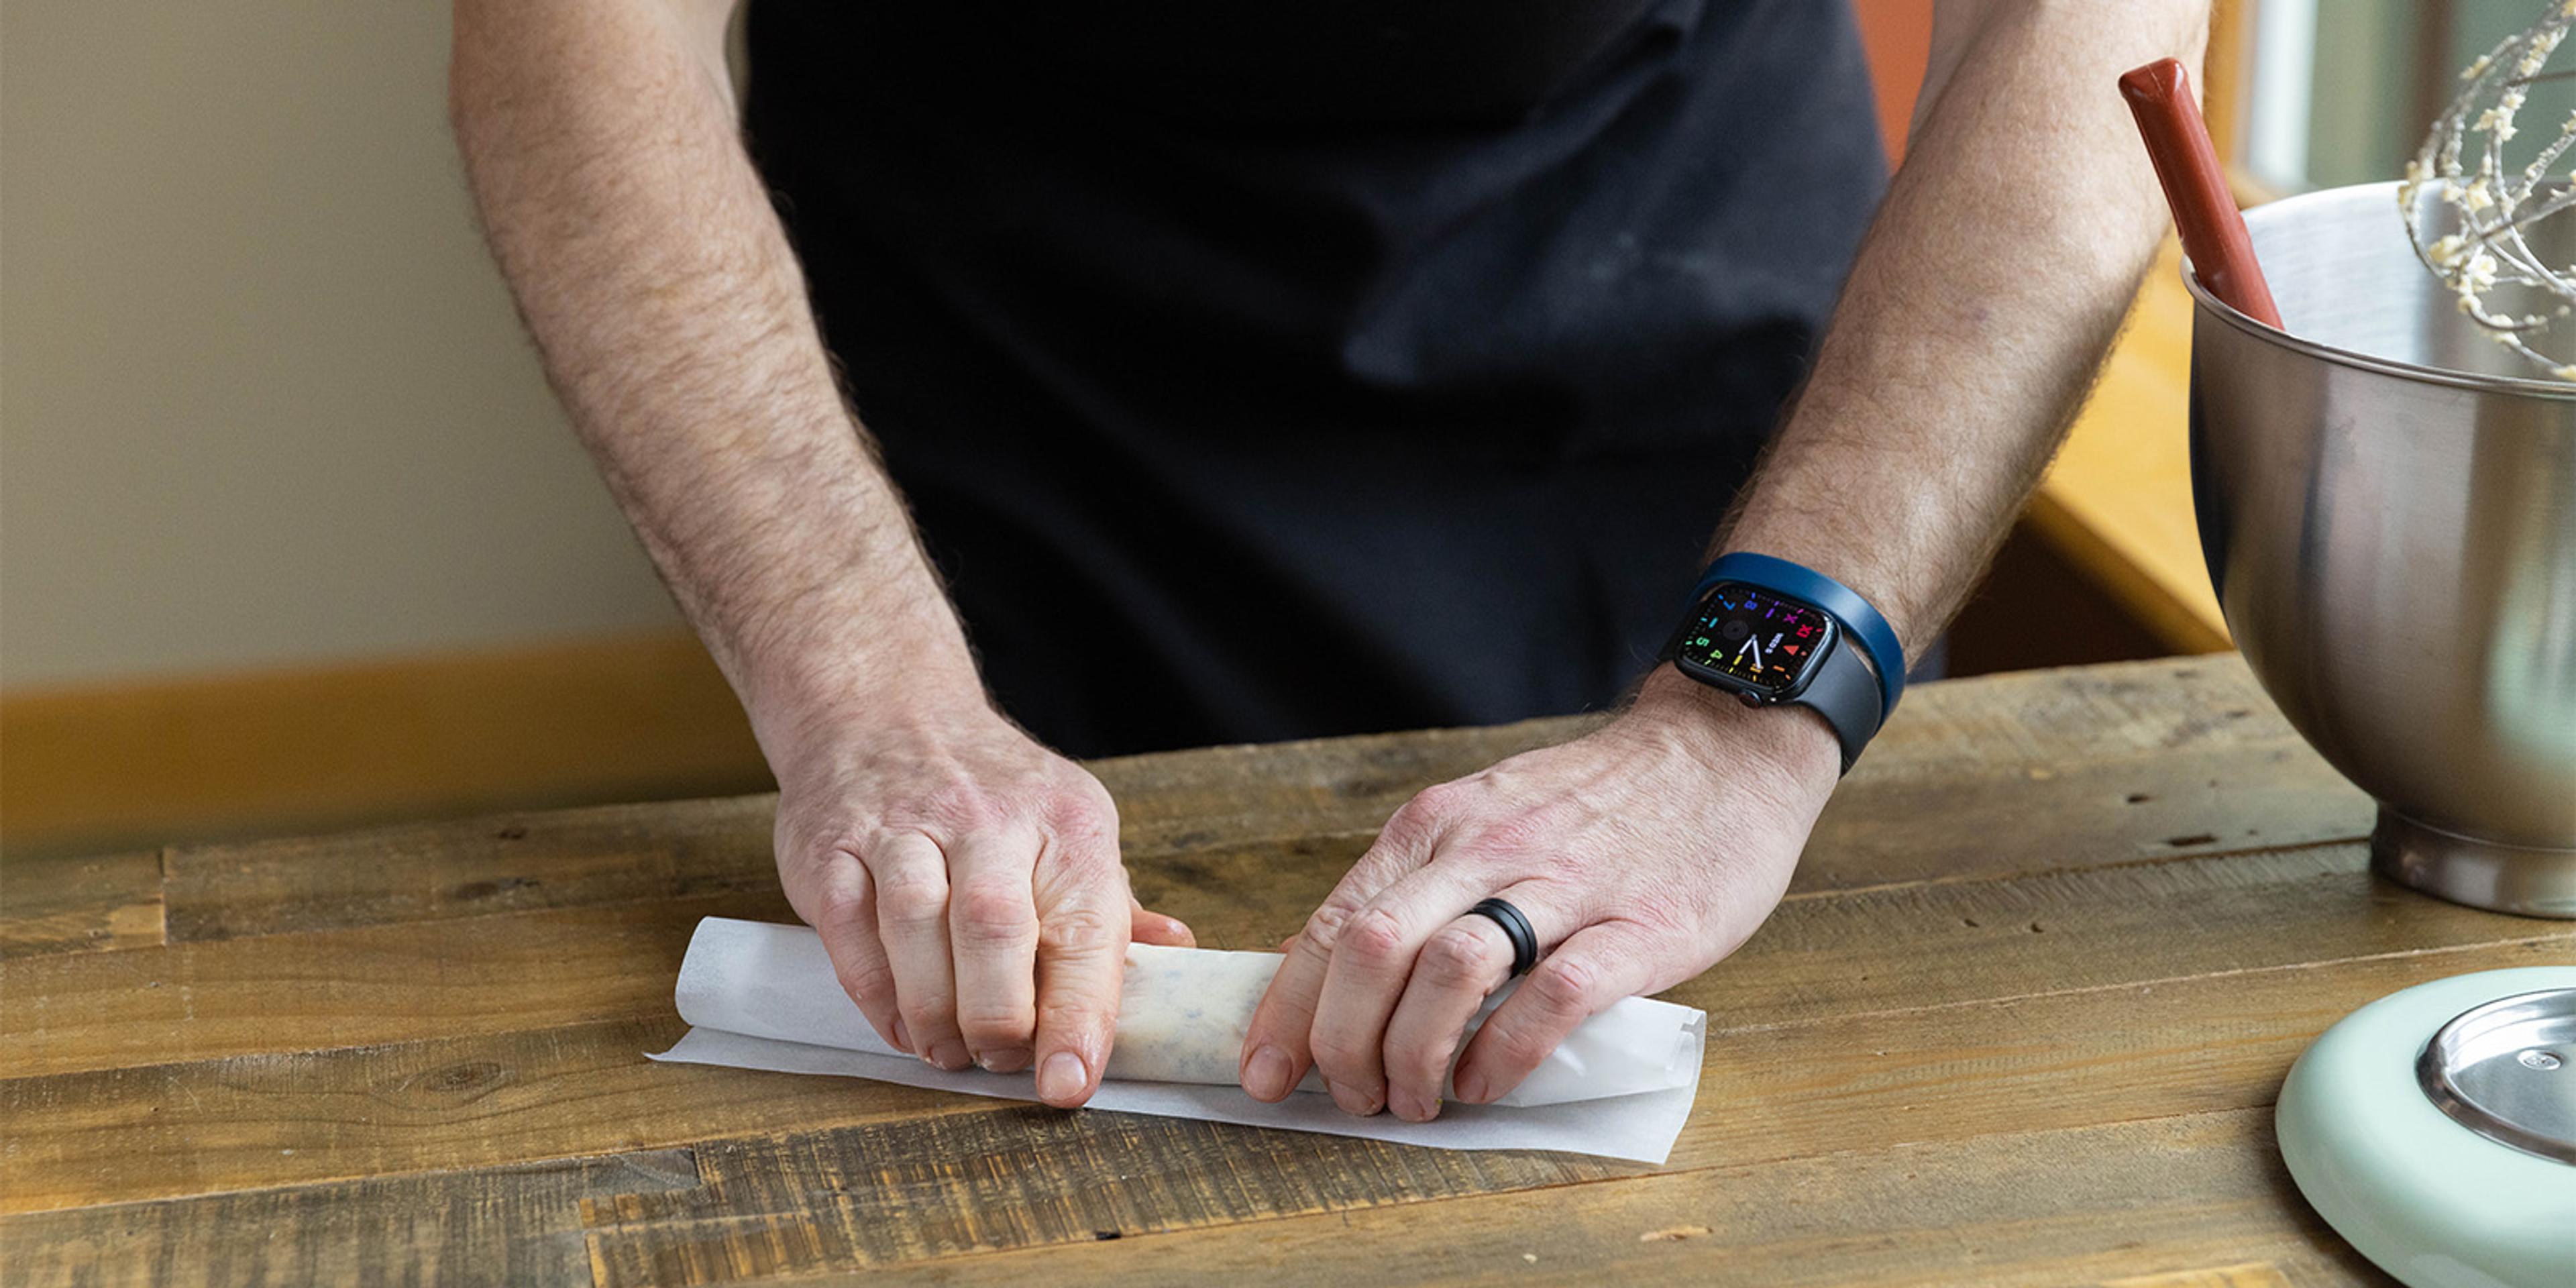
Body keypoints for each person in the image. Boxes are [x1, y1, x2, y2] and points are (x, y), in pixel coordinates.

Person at [451, 0, 2208, 1123]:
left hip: (1696, 359)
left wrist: (1747, 711)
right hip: (1005, 362)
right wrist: (870, 693)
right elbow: (578, 32)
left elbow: (2079, 27)